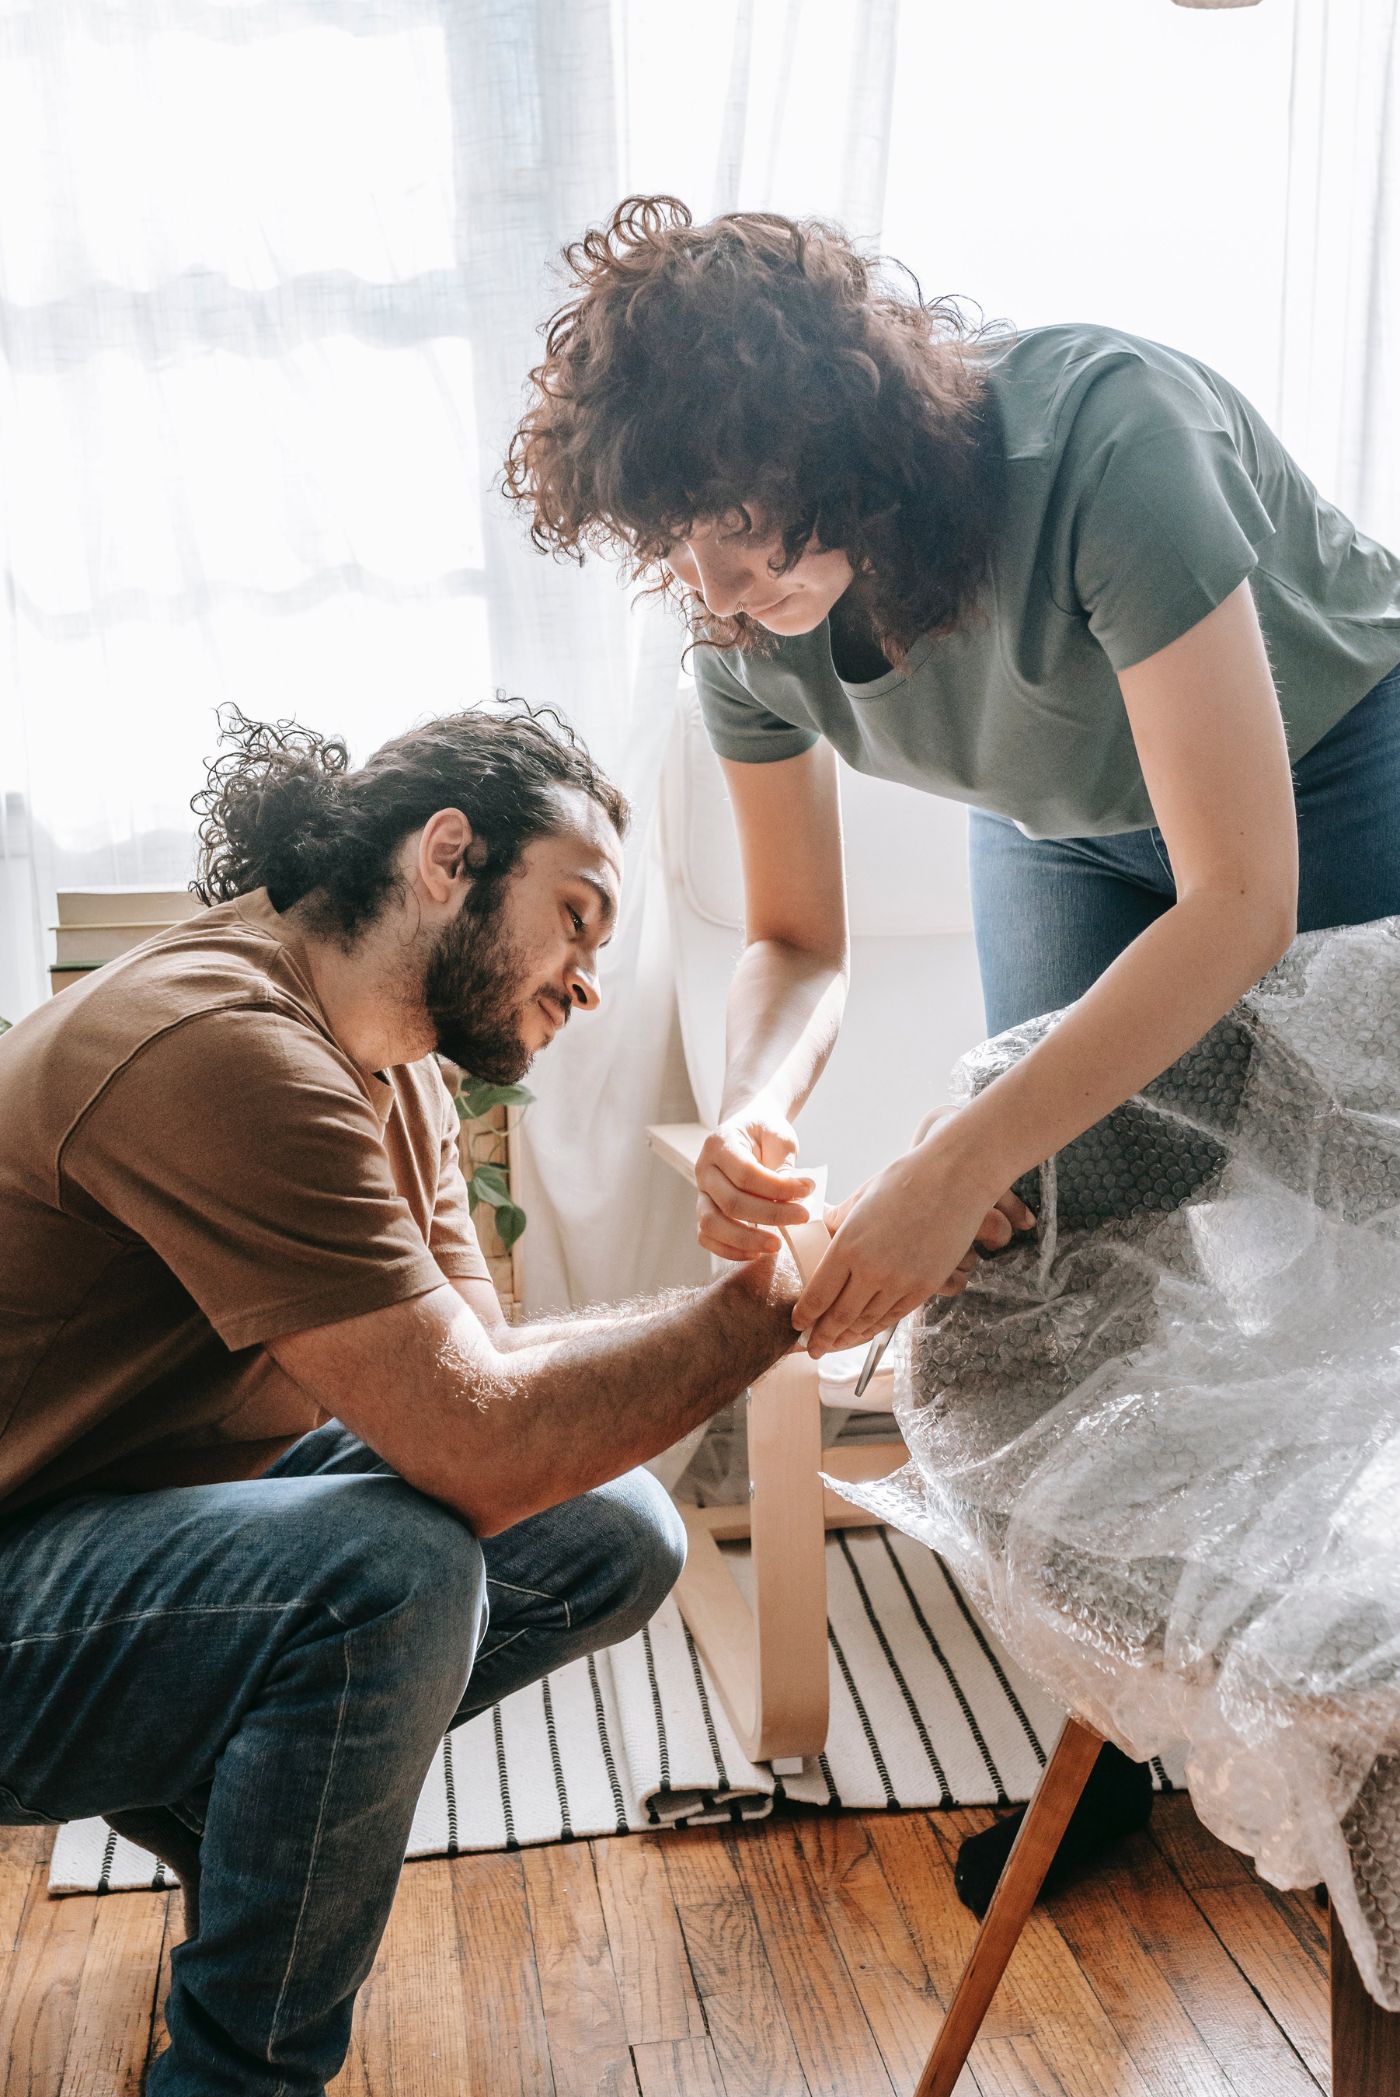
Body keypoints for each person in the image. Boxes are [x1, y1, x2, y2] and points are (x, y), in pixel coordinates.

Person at [504, 193, 1400, 1909]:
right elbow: (792, 939)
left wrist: (946, 1159)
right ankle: (1127, 1752)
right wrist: (762, 1111)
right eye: (683, 540)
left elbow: (1238, 894)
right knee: (1064, 1257)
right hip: (1070, 826)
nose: (722, 587)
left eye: (749, 527)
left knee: (1361, 1228)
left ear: (863, 437)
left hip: (1340, 765)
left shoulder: (1105, 438)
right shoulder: (741, 630)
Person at [0, 699, 828, 2097]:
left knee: (612, 1529)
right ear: (448, 855)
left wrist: (745, 1291)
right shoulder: (215, 1045)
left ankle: (233, 1813)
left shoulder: (396, 1079)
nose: (588, 985)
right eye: (576, 917)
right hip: (26, 1576)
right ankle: (235, 2080)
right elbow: (477, 1448)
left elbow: (484, 1398)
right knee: (389, 1576)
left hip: (129, 1529)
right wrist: (791, 1297)